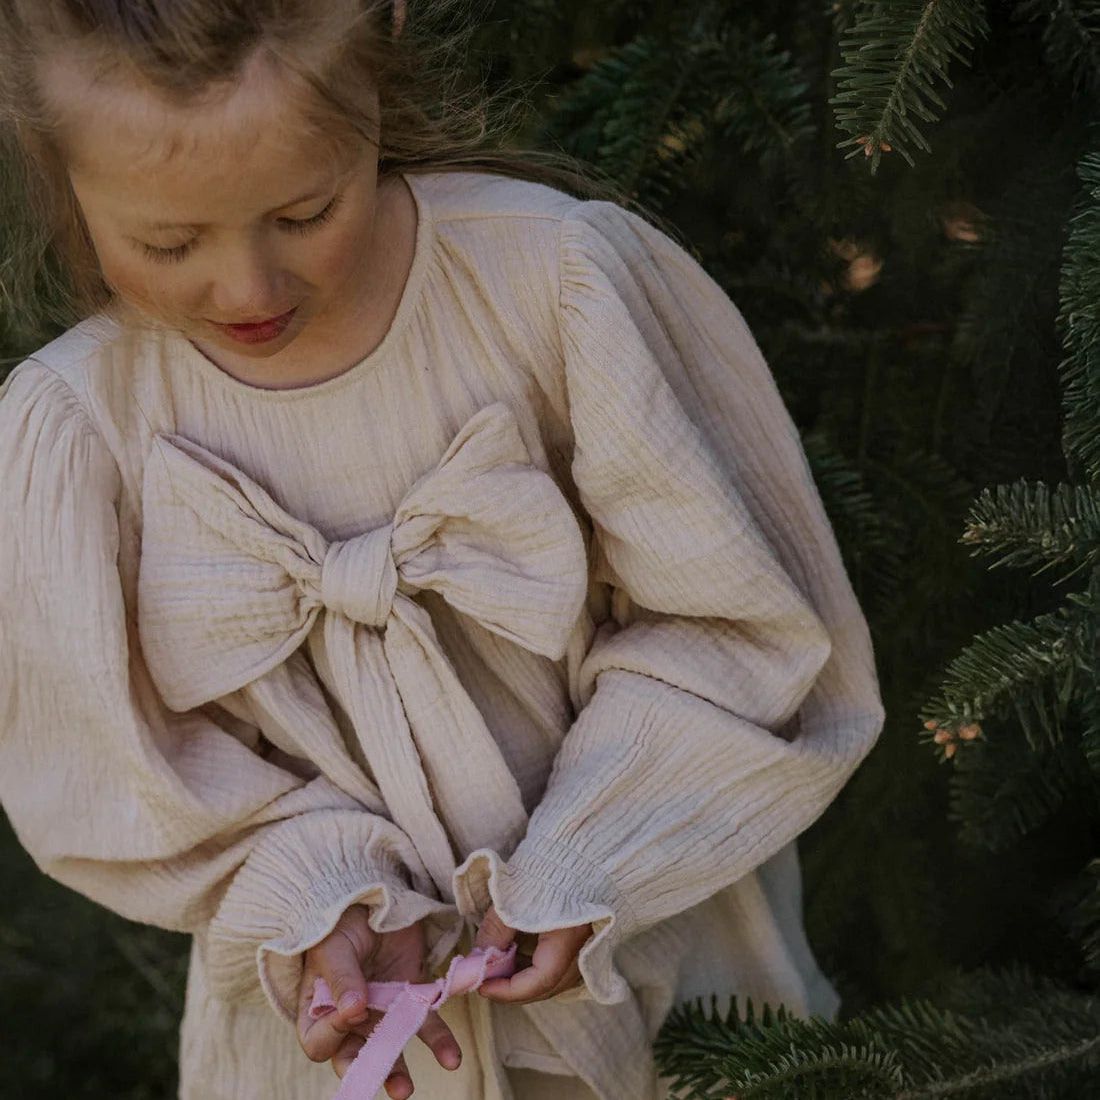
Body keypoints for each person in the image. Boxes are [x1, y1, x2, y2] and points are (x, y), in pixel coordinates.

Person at [0, 2, 885, 1099]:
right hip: (344, 1031)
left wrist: (585, 856)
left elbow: (739, 620)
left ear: (378, 67)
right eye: (168, 243)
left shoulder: (549, 285)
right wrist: (313, 898)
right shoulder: (82, 430)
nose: (248, 289)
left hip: (638, 935)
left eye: (305, 208)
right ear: (59, 172)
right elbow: (117, 777)